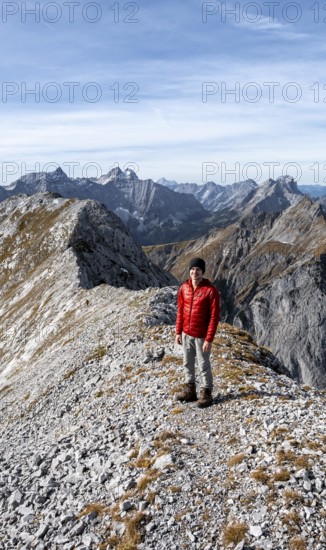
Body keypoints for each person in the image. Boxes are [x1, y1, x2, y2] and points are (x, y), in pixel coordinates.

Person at [175, 257, 220, 408]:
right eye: (193, 269)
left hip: (201, 336)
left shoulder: (210, 291)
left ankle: (207, 392)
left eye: (198, 270)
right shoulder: (184, 288)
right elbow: (180, 311)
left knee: (203, 364)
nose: (195, 272)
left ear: (203, 272)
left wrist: (209, 339)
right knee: (187, 363)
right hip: (186, 334)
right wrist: (178, 332)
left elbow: (214, 317)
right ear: (189, 271)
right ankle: (190, 390)